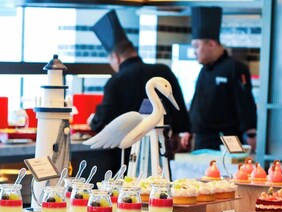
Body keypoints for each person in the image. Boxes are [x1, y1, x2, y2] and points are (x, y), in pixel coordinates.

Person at [89, 10, 191, 140]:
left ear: (116, 57)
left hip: (126, 146)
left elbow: (103, 119)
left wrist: (93, 121)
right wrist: (177, 134)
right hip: (161, 142)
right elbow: (178, 108)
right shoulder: (163, 71)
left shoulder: (116, 81)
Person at [180, 7, 258, 151]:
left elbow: (245, 102)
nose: (194, 52)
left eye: (197, 46)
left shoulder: (235, 67)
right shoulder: (204, 70)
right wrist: (189, 130)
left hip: (227, 139)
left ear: (211, 44)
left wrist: (251, 133)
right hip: (201, 140)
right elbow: (197, 102)